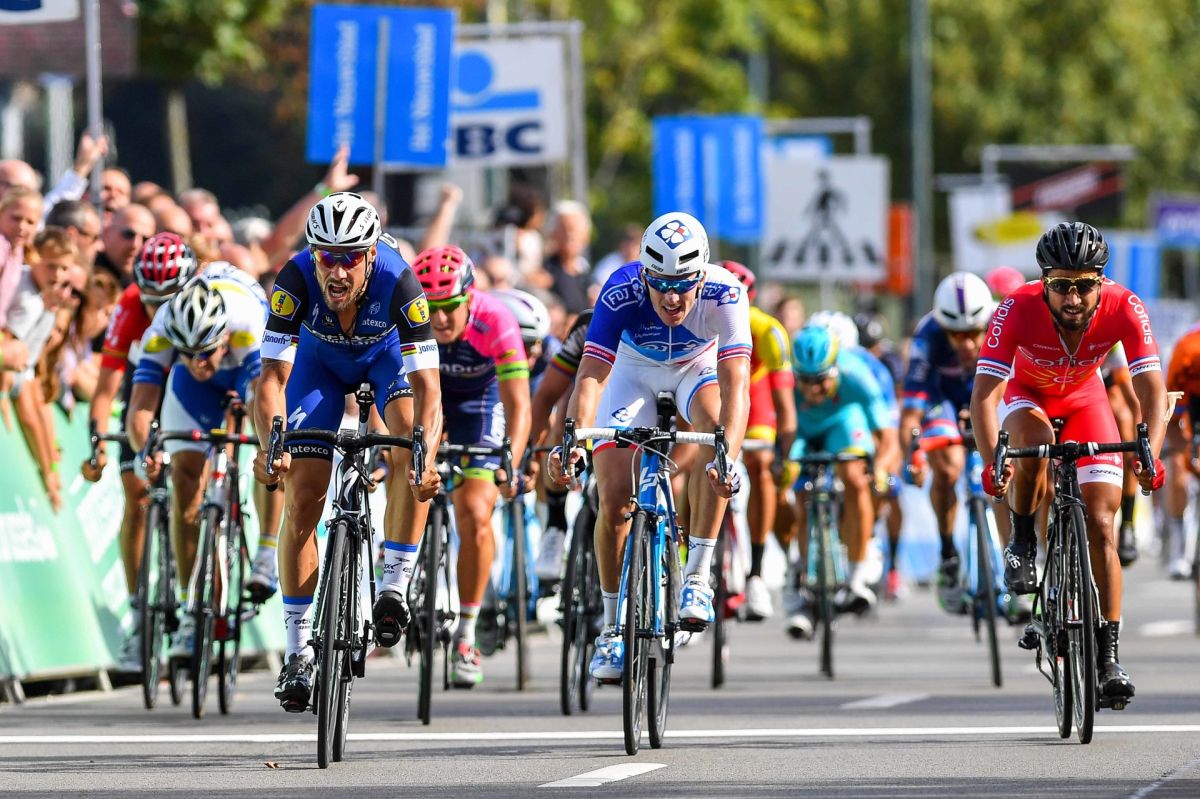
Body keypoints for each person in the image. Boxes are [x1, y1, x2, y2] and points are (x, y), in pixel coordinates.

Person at [250, 192, 442, 712]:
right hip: (318, 368)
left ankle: (393, 585)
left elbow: (428, 388)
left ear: (371, 255)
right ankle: (297, 653)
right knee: (303, 497)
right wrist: (271, 446)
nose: (337, 271)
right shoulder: (294, 280)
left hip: (386, 363)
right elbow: (272, 380)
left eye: (350, 258)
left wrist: (425, 456)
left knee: (409, 450)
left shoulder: (400, 282)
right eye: (327, 257)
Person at [548, 212, 751, 681]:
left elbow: (736, 385)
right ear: (644, 274)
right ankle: (612, 626)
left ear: (702, 275)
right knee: (615, 496)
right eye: (659, 284)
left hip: (695, 369)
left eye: (683, 284)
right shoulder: (620, 290)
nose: (671, 298)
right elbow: (591, 375)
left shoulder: (726, 294)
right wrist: (573, 439)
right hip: (631, 372)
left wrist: (729, 456)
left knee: (715, 434)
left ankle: (697, 575)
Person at [971, 221, 1167, 703]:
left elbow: (1151, 389)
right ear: (1044, 283)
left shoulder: (1125, 305)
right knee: (1035, 441)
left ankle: (1108, 656)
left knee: (1101, 522)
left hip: (1085, 400)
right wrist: (993, 462)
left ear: (1102, 281)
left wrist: (1151, 454)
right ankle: (1021, 538)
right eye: (1061, 285)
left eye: (1084, 285)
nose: (1073, 298)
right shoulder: (1015, 307)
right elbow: (984, 398)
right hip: (1028, 397)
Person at [127, 271, 268, 661]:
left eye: (204, 352)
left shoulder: (246, 324)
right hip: (194, 394)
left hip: (246, 369)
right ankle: (192, 605)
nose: (196, 362)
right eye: (186, 353)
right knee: (185, 482)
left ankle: (267, 552)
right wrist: (145, 450)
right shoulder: (163, 329)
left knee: (270, 445)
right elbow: (141, 404)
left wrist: (266, 441)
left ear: (223, 337)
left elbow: (264, 396)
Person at [413, 245, 531, 688]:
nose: (440, 318)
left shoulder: (495, 320)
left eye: (450, 306)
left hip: (480, 404)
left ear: (469, 297)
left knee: (476, 512)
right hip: (427, 396)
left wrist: (509, 462)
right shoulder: (409, 316)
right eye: (431, 308)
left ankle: (465, 634)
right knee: (407, 470)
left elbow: (519, 405)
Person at [82, 233, 197, 670]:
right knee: (136, 494)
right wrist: (97, 445)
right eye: (152, 301)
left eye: (168, 300)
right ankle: (137, 614)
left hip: (190, 377)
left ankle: (196, 596)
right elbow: (107, 388)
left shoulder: (205, 301)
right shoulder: (130, 306)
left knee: (192, 482)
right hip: (146, 379)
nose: (159, 310)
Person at [785, 324, 899, 636]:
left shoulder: (856, 375)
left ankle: (858, 572)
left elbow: (888, 438)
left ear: (836, 369)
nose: (813, 390)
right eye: (805, 381)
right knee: (795, 490)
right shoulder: (786, 381)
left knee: (855, 477)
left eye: (821, 380)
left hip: (843, 421)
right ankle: (801, 575)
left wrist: (880, 469)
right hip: (801, 428)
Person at [901, 272, 998, 612]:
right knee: (948, 468)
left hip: (991, 396)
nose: (967, 344)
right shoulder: (927, 336)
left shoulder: (1002, 324)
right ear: (943, 328)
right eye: (957, 335)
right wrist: (912, 456)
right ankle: (948, 553)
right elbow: (911, 410)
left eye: (973, 333)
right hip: (943, 401)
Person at [721, 260, 797, 620]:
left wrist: (786, 456)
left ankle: (755, 574)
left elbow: (785, 408)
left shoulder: (767, 331)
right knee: (687, 464)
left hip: (752, 398)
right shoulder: (694, 317)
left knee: (761, 464)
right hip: (708, 391)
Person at [1164, 323, 1200, 579]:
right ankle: (1178, 541)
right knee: (1179, 466)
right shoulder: (1187, 351)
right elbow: (1171, 421)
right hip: (1189, 405)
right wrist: (1188, 454)